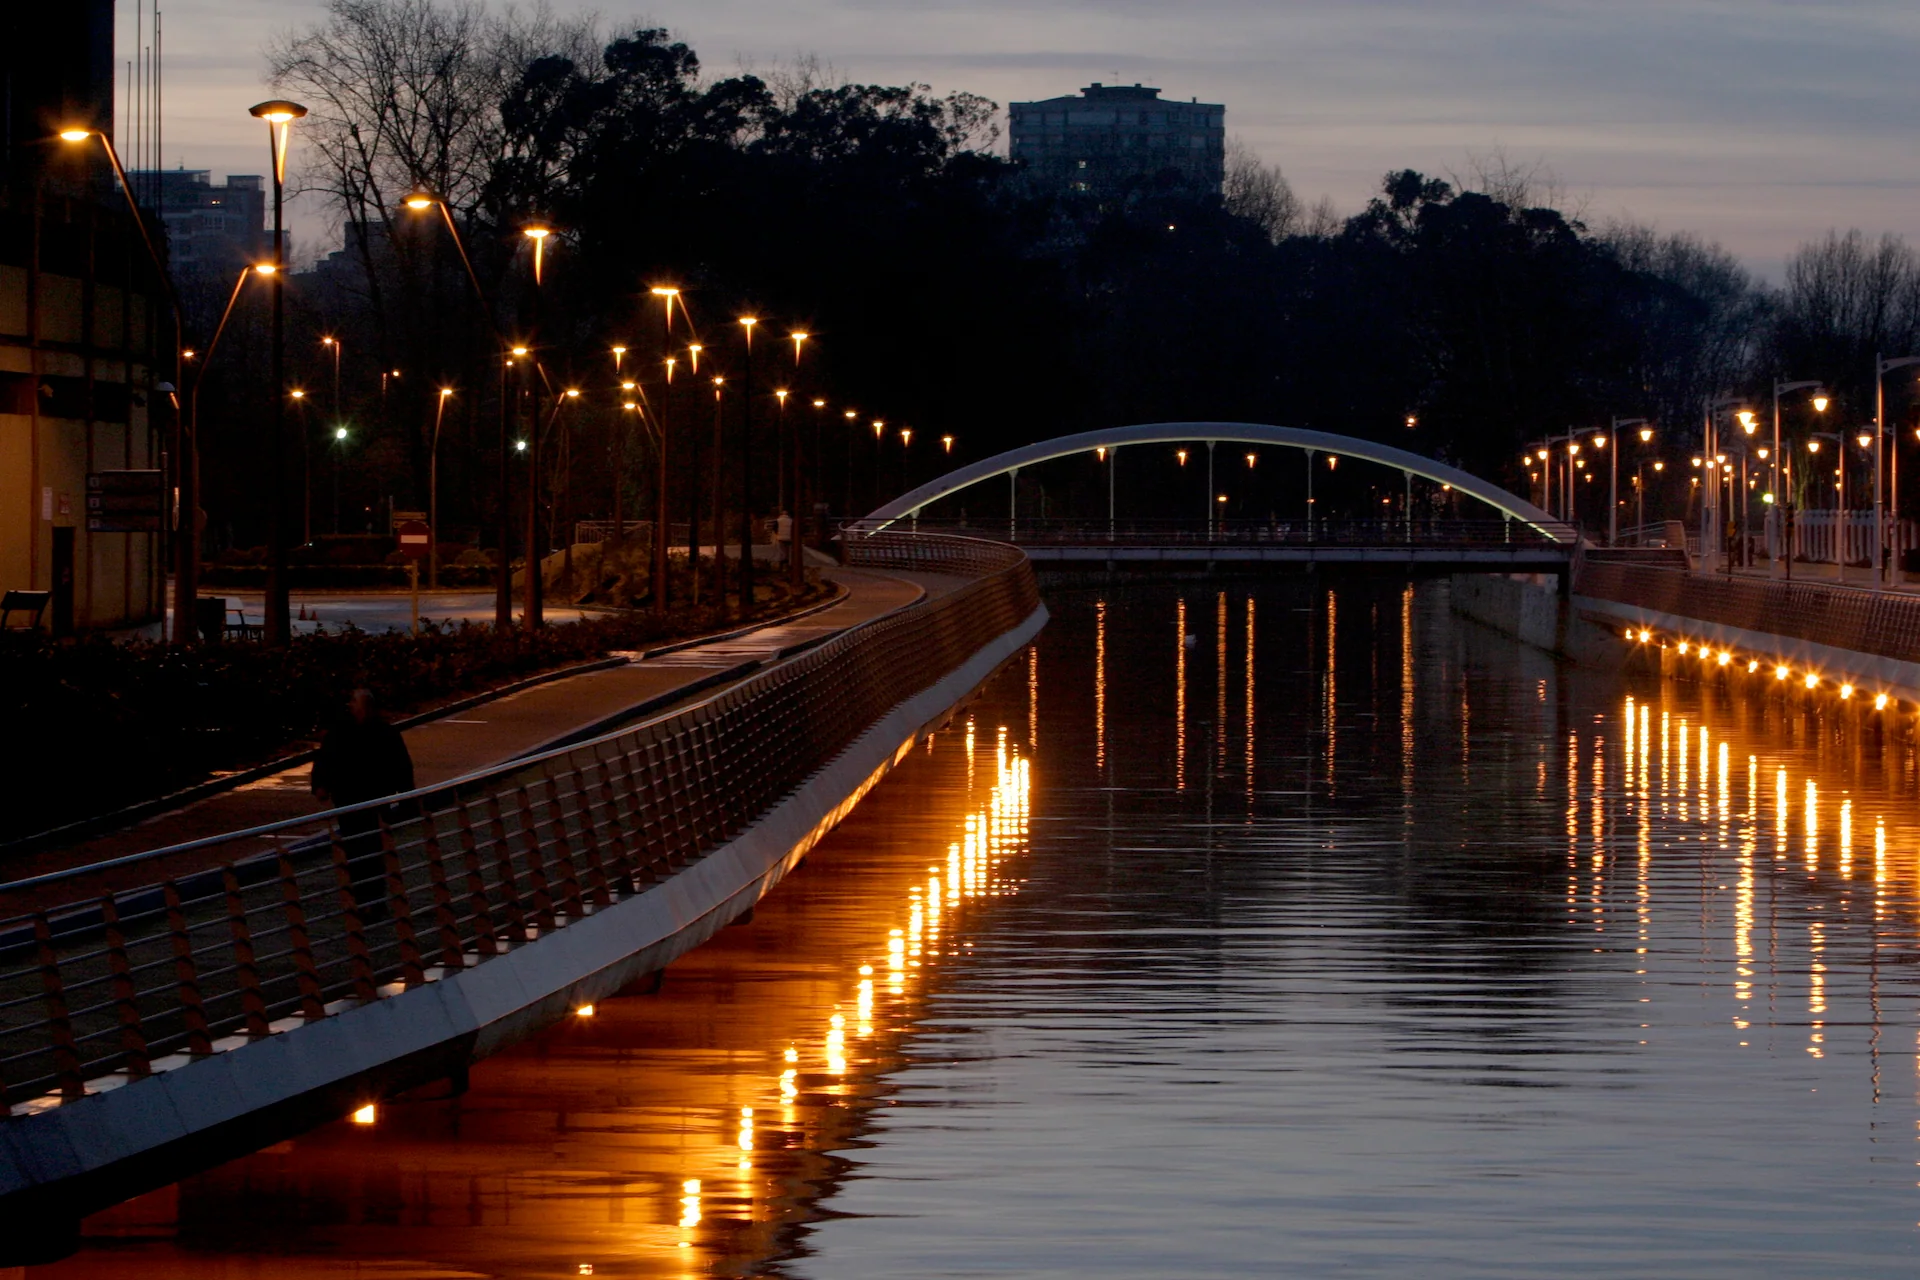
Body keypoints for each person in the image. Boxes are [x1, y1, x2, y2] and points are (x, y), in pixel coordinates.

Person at [312, 688, 415, 914]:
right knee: (358, 850)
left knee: (369, 849)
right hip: (350, 799)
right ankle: (366, 898)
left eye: (354, 702)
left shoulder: (380, 732)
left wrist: (407, 795)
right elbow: (325, 760)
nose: (350, 705)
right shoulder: (344, 732)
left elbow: (401, 765)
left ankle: (372, 899)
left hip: (370, 798)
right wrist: (321, 785)